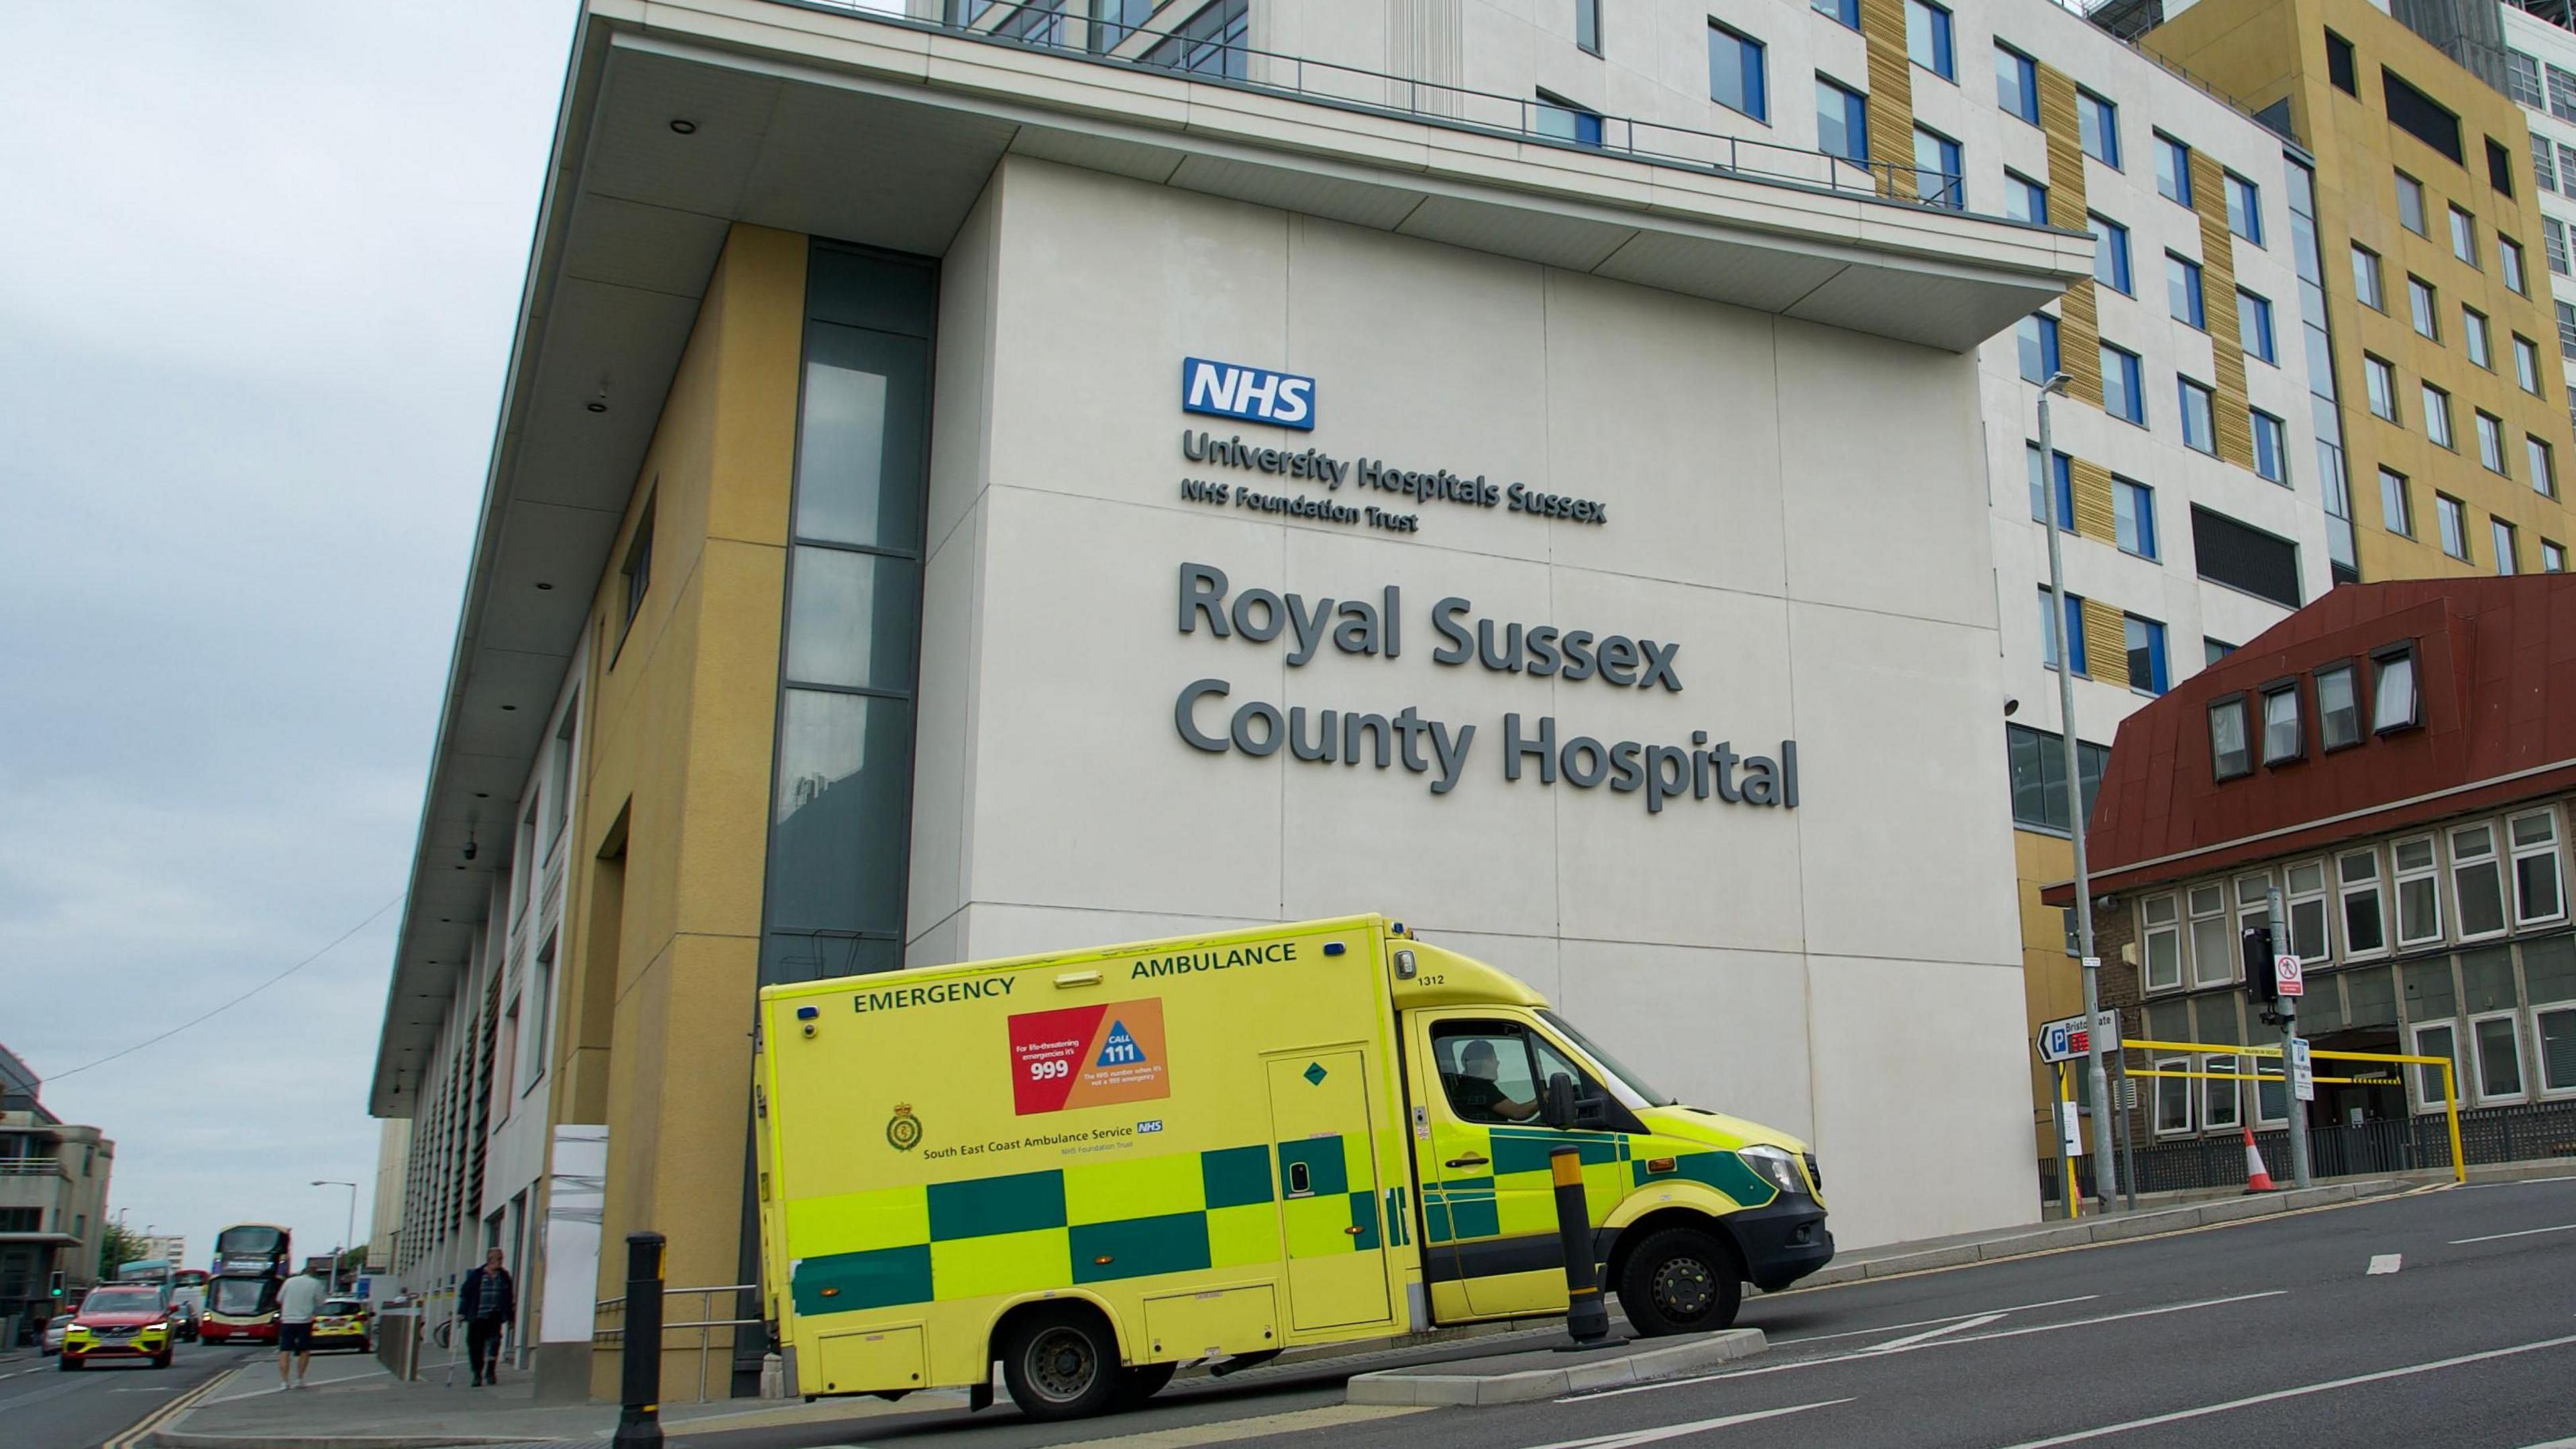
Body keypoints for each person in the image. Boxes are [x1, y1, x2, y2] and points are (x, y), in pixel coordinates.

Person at [458, 1248, 516, 1387]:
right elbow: (465, 1294)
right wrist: (462, 1312)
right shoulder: (477, 1275)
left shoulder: (504, 1276)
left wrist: (511, 1317)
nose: (501, 1262)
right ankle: (477, 1373)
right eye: (499, 1259)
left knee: (494, 1343)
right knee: (476, 1346)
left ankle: (491, 1371)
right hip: (478, 1317)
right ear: (491, 1260)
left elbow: (509, 1298)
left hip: (494, 1316)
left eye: (502, 1259)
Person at [1446, 1038, 1540, 1123]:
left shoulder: (1465, 1087)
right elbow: (1518, 1113)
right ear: (1482, 1062)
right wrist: (1545, 1096)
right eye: (1492, 1059)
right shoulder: (1480, 1088)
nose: (1497, 1063)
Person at [276, 1268, 327, 1389]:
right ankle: (299, 1379)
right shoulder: (315, 1283)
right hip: (305, 1321)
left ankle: (284, 1382)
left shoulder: (289, 1281)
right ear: (314, 1275)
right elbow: (321, 1302)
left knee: (285, 1351)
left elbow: (279, 1299)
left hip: (287, 1320)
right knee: (304, 1351)